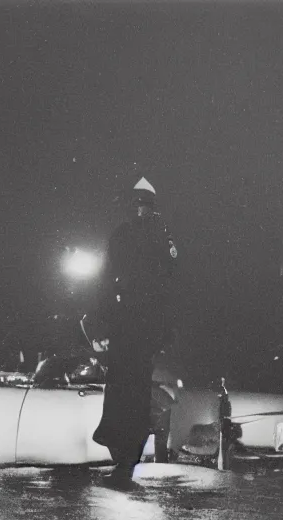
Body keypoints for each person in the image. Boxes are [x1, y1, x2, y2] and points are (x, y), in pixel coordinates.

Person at [92, 177, 179, 487]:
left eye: (143, 205)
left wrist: (163, 330)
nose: (139, 210)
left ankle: (127, 461)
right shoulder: (129, 235)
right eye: (136, 205)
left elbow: (168, 284)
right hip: (128, 325)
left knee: (130, 393)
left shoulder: (157, 235)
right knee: (121, 392)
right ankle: (123, 459)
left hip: (140, 327)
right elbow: (106, 280)